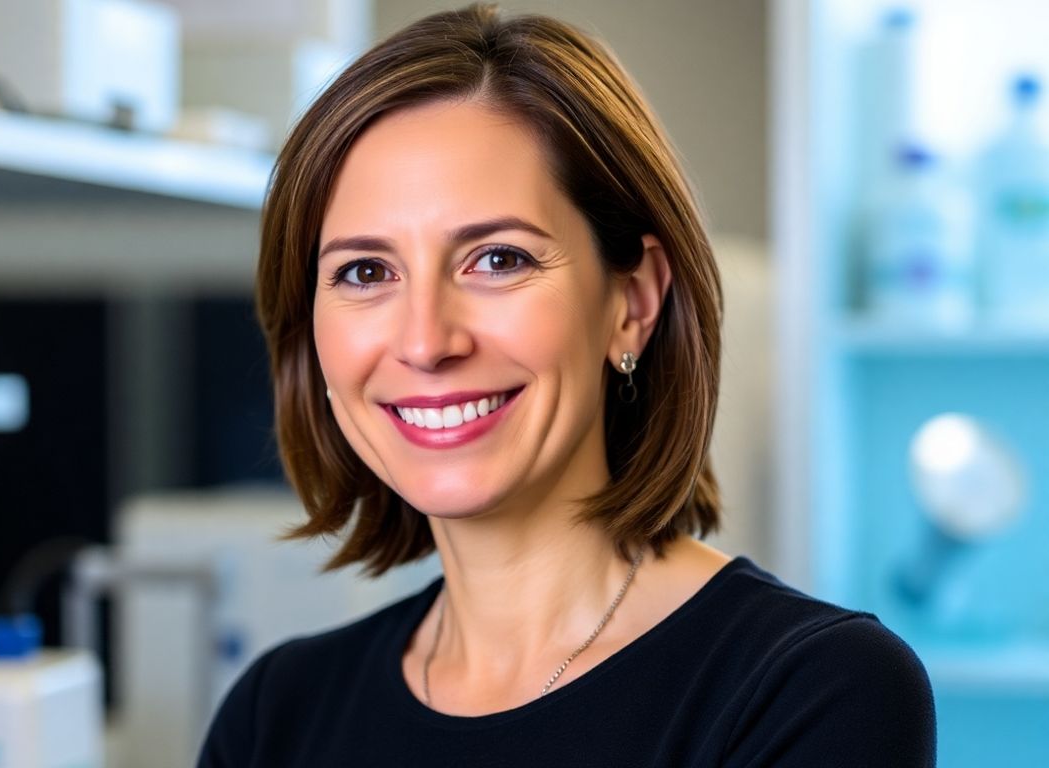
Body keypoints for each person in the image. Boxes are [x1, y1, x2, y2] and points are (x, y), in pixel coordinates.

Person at [199, 4, 936, 766]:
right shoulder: (275, 715)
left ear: (633, 302)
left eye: (497, 260)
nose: (425, 341)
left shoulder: (813, 692)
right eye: (366, 272)